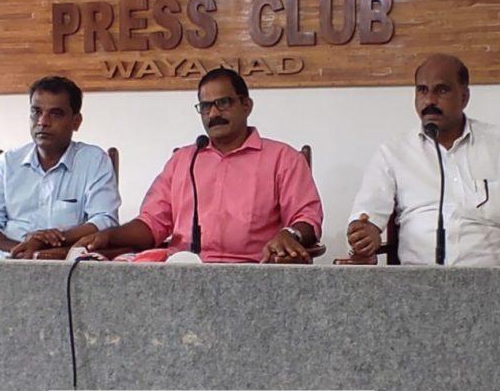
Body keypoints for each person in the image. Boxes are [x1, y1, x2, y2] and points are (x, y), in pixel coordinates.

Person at [346, 54, 500, 267]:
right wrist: (366, 234)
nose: (429, 100)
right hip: (419, 285)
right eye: (422, 90)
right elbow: (368, 216)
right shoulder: (393, 152)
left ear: (464, 97)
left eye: (442, 90)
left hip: (495, 283)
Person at [74, 68, 323, 263]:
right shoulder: (184, 160)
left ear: (246, 105)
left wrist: (289, 234)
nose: (213, 113)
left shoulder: (283, 158)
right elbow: (151, 224)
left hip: (255, 273)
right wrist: (109, 236)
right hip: (183, 274)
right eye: (205, 107)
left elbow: (307, 218)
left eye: (223, 103)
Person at [0, 76, 120, 259]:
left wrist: (50, 242)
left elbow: (105, 221)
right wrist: (24, 249)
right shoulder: (8, 163)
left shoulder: (94, 161)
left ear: (76, 121)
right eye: (36, 112)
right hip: (7, 261)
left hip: (66, 263)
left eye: (55, 114)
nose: (43, 121)